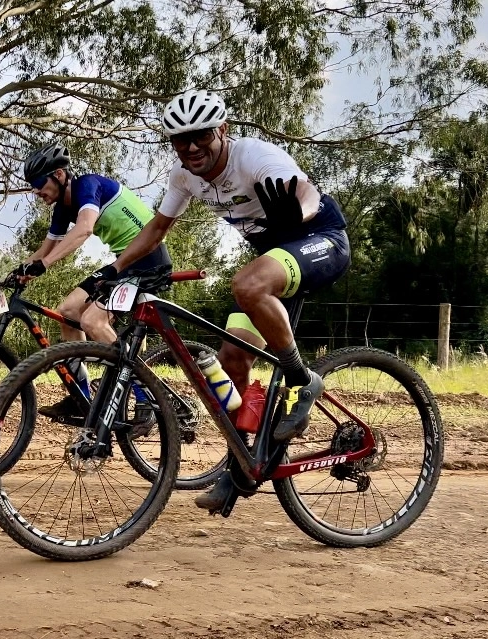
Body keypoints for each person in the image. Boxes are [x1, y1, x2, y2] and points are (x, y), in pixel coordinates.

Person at [103, 89, 351, 511]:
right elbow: (157, 229)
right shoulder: (185, 177)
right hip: (273, 261)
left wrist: (299, 214)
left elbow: (306, 194)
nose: (191, 146)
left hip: (320, 240)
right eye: (180, 139)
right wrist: (111, 270)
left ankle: (302, 380)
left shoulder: (253, 156)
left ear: (222, 130)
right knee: (232, 359)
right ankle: (241, 466)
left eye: (201, 135)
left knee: (246, 285)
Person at [13, 143, 172, 423]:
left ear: (60, 175)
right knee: (68, 312)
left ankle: (146, 399)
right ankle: (81, 398)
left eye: (39, 183)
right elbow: (45, 250)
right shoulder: (63, 207)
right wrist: (16, 273)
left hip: (148, 259)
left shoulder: (88, 185)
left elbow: (85, 229)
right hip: (124, 263)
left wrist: (44, 266)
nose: (36, 191)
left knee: (93, 322)